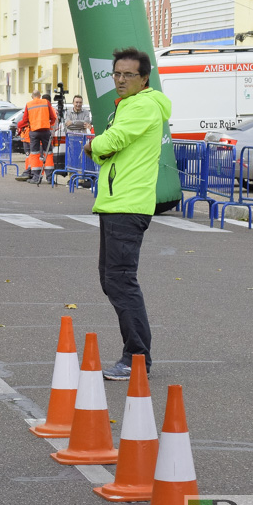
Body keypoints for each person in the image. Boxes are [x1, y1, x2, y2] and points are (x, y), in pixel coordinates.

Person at [80, 47, 171, 381]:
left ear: (144, 78)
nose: (119, 80)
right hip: (116, 203)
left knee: (120, 281)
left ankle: (136, 358)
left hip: (128, 205)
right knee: (111, 280)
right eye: (116, 74)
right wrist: (100, 148)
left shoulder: (143, 105)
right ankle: (135, 354)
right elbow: (112, 153)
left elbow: (111, 142)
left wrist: (92, 144)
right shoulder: (129, 106)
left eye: (127, 74)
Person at [15, 90, 58, 184]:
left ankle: (36, 177)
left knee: (34, 153)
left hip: (34, 132)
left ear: (32, 96)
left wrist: (19, 125)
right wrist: (48, 125)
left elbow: (25, 120)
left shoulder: (29, 104)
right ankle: (50, 178)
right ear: (40, 95)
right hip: (46, 131)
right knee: (48, 153)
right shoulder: (46, 102)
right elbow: (53, 117)